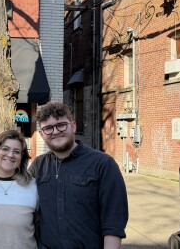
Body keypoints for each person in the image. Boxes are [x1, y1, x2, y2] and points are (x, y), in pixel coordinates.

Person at [29, 102, 128, 249]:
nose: (55, 131)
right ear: (42, 134)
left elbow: (114, 220)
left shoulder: (103, 164)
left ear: (73, 126)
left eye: (61, 125)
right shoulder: (38, 166)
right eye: (48, 128)